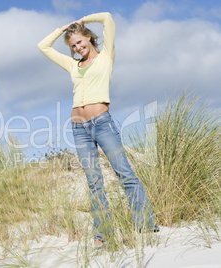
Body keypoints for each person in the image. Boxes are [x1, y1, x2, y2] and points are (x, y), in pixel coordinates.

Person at [37, 12, 159, 247]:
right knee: (94, 181)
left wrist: (83, 20)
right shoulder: (72, 65)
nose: (77, 48)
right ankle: (102, 234)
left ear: (89, 38)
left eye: (80, 42)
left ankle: (146, 224)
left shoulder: (106, 57)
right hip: (78, 127)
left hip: (102, 123)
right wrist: (63, 29)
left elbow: (108, 19)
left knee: (124, 173)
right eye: (73, 46)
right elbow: (43, 46)